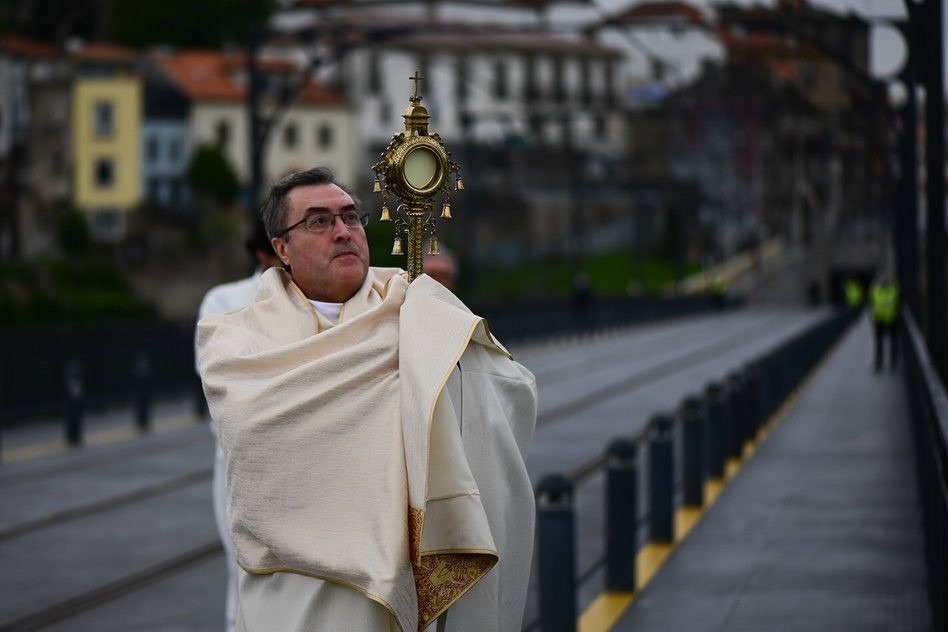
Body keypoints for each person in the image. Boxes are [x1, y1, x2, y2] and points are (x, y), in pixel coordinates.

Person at [196, 167, 537, 632]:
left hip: (403, 578)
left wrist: (448, 376)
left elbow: (511, 389)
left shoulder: (419, 311)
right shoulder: (236, 337)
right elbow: (256, 433)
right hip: (294, 587)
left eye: (350, 217)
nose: (342, 231)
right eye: (318, 221)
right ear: (281, 248)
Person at [195, 220, 282, 632]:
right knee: (245, 569)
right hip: (243, 463)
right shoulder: (225, 300)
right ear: (263, 252)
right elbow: (221, 384)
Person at [869, 274, 900, 371]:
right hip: (888, 319)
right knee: (888, 343)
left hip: (883, 320)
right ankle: (889, 363)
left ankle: (882, 363)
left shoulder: (876, 290)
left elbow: (871, 301)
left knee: (882, 343)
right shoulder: (893, 290)